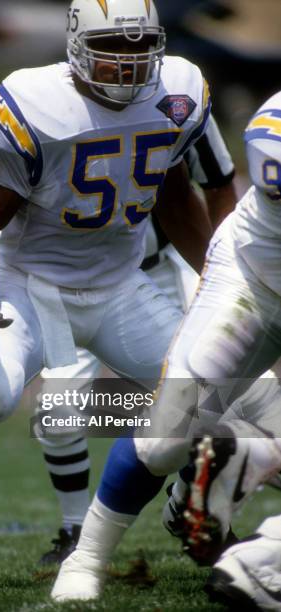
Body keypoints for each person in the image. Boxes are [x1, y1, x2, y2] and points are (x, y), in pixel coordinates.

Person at [0, 0, 214, 590]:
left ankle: (145, 518)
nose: (130, 64)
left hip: (122, 286)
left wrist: (220, 280)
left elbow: (174, 194)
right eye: (114, 49)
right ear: (76, 44)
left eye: (141, 46)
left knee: (209, 393)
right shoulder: (35, 104)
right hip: (32, 285)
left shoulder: (180, 91)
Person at [51, 91, 281, 602]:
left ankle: (244, 471)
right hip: (254, 281)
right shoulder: (275, 131)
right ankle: (87, 556)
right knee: (167, 434)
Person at [36, 112, 237, 565]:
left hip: (162, 269)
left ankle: (192, 506)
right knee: (58, 404)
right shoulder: (60, 112)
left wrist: (226, 270)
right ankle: (73, 527)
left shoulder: (180, 101)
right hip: (75, 278)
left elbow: (217, 184)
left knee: (204, 393)